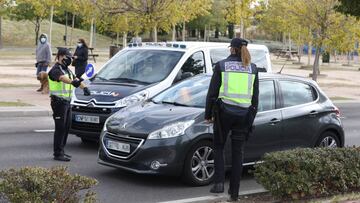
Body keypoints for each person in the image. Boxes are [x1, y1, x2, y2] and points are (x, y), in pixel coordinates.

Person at [205, 38, 259, 202]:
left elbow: (212, 93)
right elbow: (255, 98)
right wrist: (251, 118)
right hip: (244, 115)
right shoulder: (253, 68)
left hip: (224, 114)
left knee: (219, 147)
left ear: (232, 49)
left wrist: (208, 114)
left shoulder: (221, 66)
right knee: (238, 153)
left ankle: (219, 183)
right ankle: (234, 194)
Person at [48, 48, 91, 162]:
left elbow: (76, 79)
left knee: (66, 128)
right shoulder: (55, 69)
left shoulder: (67, 70)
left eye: (71, 57)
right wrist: (72, 82)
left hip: (67, 103)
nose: (70, 59)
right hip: (58, 102)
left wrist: (84, 87)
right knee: (60, 128)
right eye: (68, 57)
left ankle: (62, 151)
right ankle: (57, 153)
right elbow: (62, 78)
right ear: (61, 56)